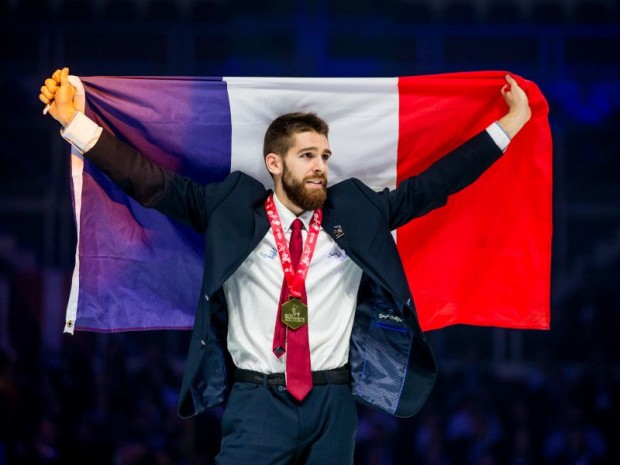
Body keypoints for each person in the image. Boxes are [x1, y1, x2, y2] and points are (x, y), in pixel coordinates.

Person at [39, 67, 531, 464]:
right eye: (307, 155)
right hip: (257, 402)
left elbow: (432, 186)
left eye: (325, 155)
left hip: (333, 401)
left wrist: (506, 127)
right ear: (274, 164)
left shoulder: (357, 211)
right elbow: (150, 183)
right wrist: (74, 123)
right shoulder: (231, 208)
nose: (321, 166)